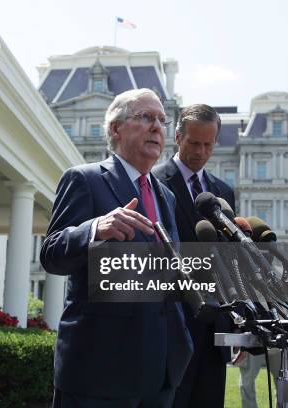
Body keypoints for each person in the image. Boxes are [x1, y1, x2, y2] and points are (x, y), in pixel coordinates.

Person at [41, 88, 193, 407]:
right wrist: (95, 228)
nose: (157, 126)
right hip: (99, 369)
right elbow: (51, 254)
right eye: (145, 117)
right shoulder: (84, 180)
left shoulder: (166, 196)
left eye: (162, 120)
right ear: (115, 128)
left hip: (161, 370)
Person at [152, 104, 235, 408]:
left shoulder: (223, 192)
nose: (201, 152)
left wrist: (235, 326)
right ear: (177, 137)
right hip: (171, 329)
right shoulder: (153, 183)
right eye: (194, 143)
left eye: (208, 144)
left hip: (215, 334)